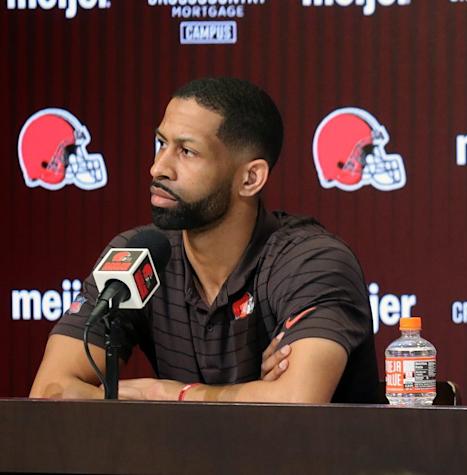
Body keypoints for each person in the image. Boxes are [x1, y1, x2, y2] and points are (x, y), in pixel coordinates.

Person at [30, 77, 379, 403]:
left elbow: (296, 400)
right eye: (161, 143)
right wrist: (250, 394)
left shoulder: (310, 261)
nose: (158, 168)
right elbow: (50, 391)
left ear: (250, 178)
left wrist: (168, 393)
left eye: (187, 152)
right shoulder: (139, 255)